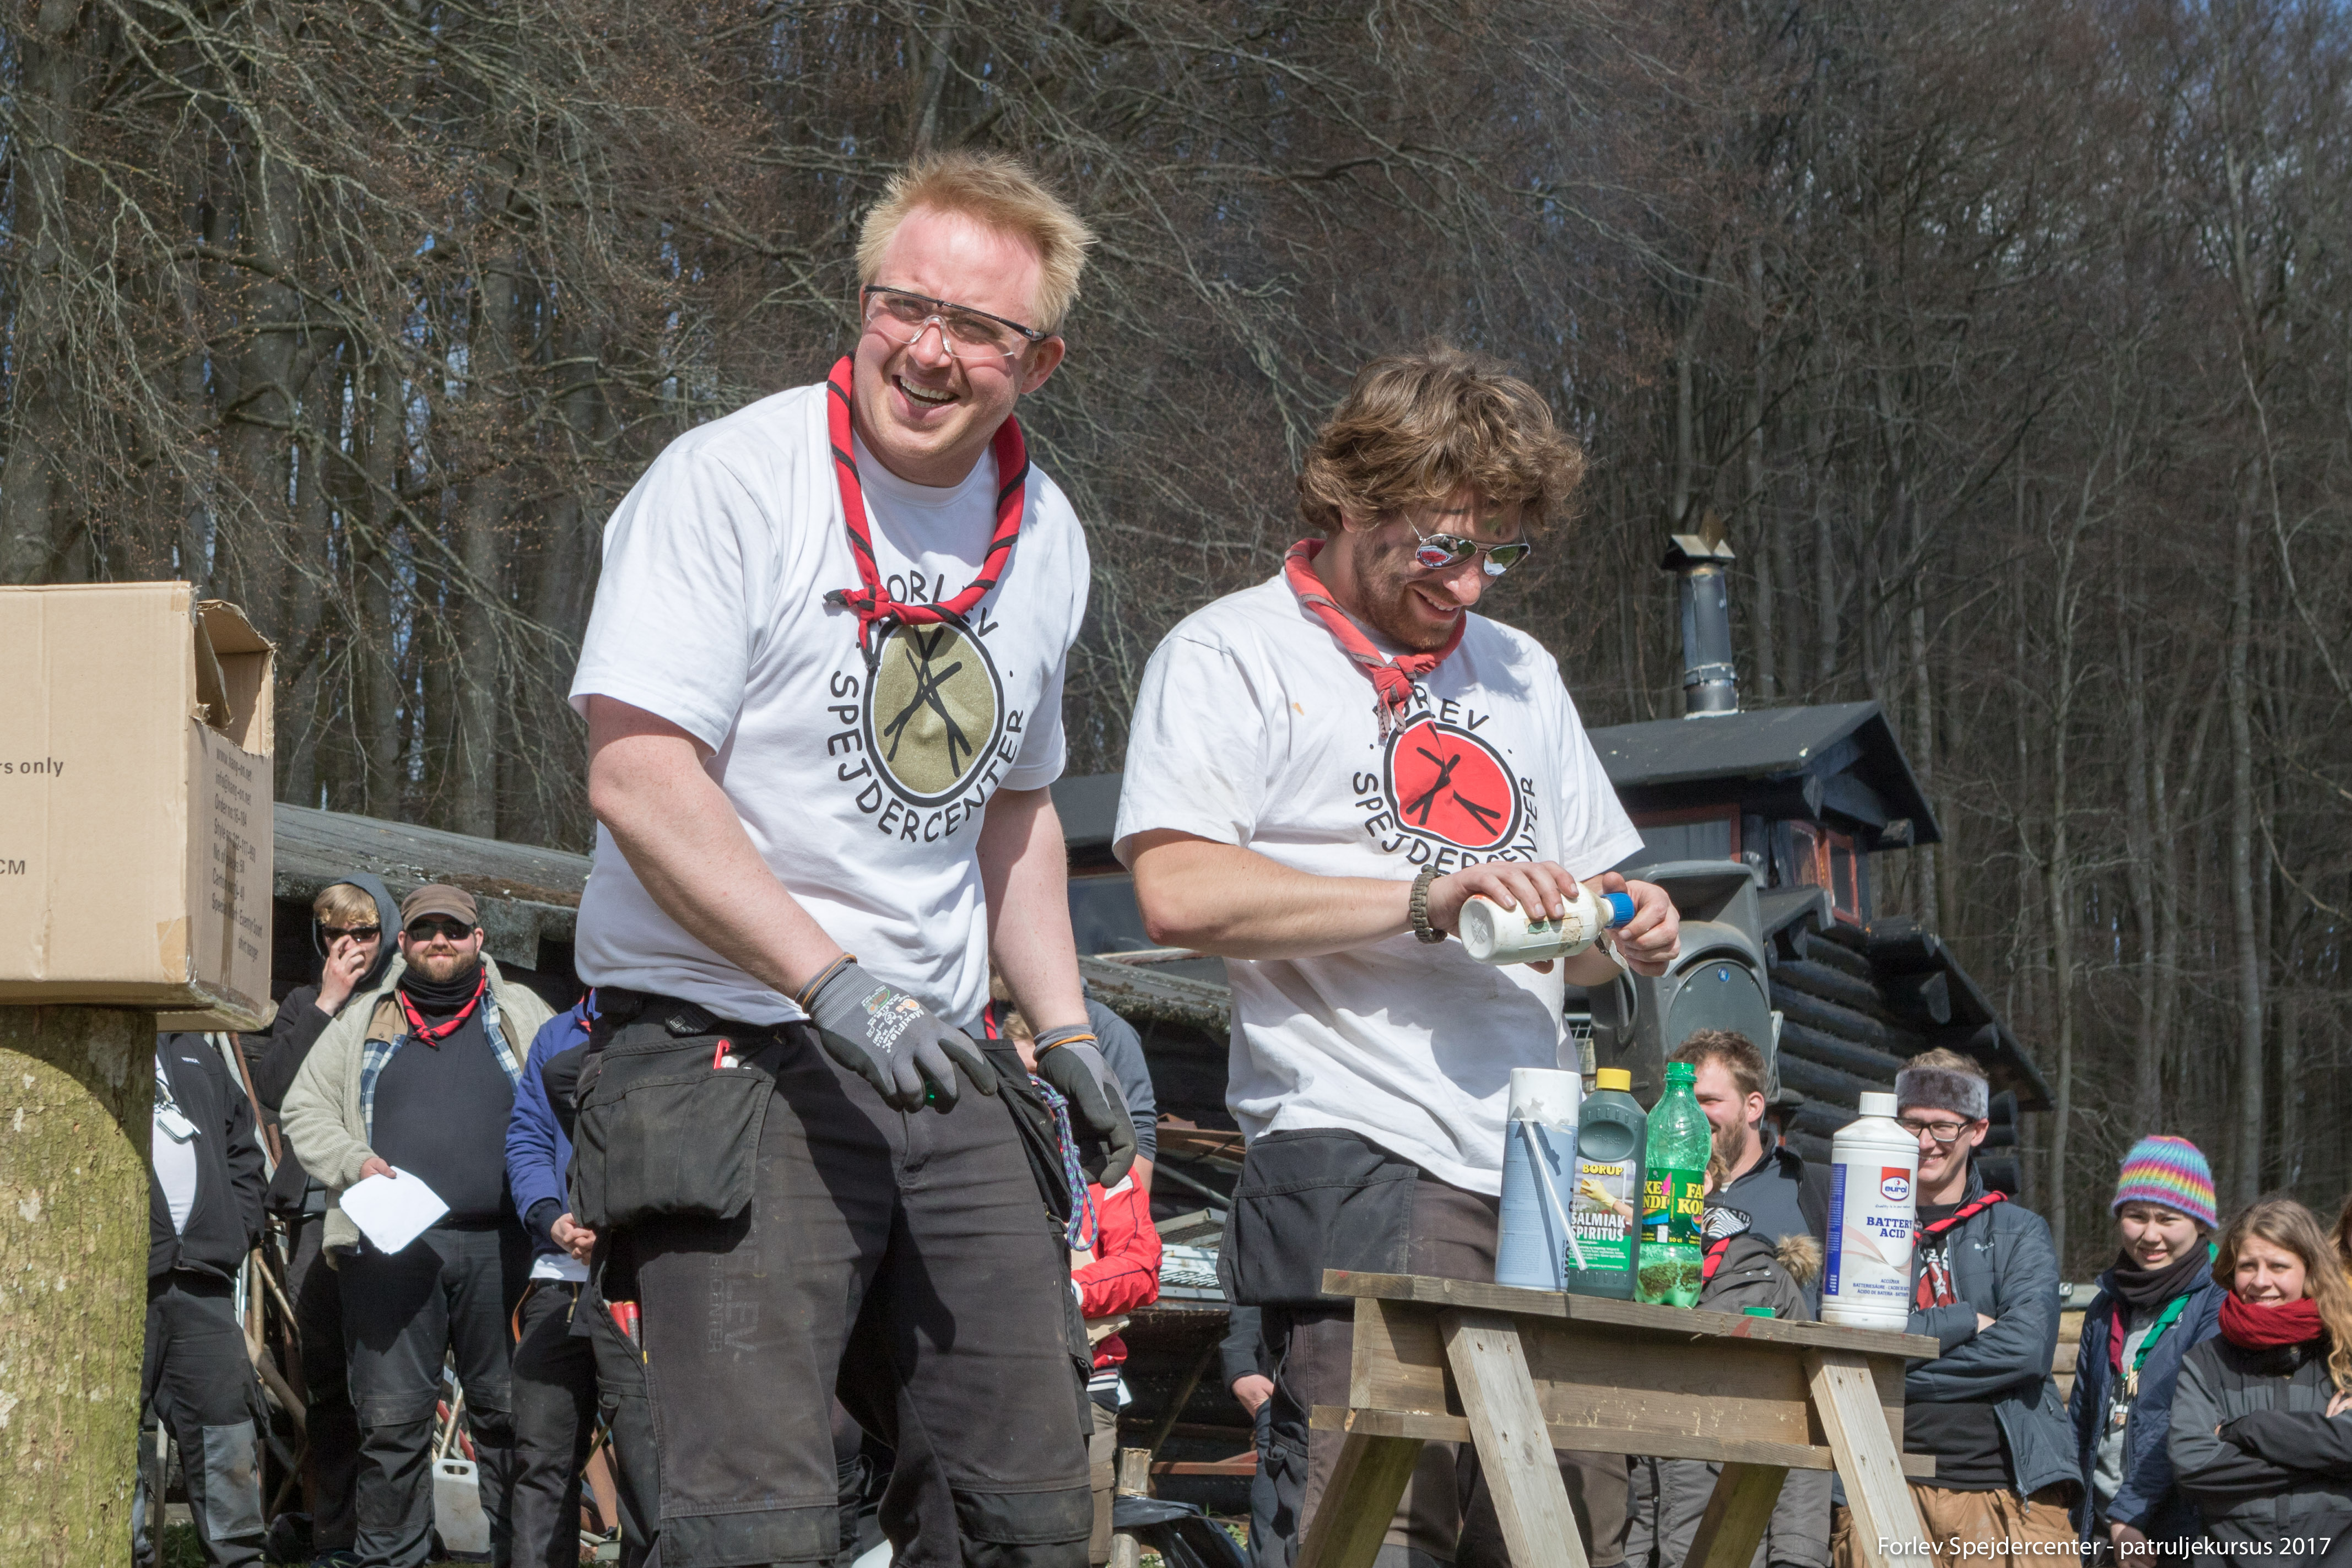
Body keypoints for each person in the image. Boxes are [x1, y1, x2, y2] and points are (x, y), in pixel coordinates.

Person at [567, 149, 1131, 1564]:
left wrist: (1065, 1029)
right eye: (906, 306)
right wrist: (830, 981)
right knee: (755, 1528)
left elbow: (1013, 810)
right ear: (863, 300)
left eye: (978, 328)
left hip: (942, 1060)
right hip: (729, 1045)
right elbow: (638, 773)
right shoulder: (730, 482)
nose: (929, 352)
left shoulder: (1046, 533)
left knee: (1027, 1511)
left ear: (1038, 362)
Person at [1116, 345, 1683, 1568]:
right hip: (1361, 1148)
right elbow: (1175, 892)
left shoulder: (1519, 670)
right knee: (1378, 1522)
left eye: (1499, 555)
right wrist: (1425, 898)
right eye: (1443, 549)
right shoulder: (1230, 654)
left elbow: (1582, 947)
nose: (1470, 585)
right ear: (1351, 499)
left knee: (1567, 1520)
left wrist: (1627, 929)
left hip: (1544, 1162)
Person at [280, 883, 557, 1568]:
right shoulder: (362, 1018)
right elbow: (303, 1107)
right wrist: (354, 1161)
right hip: (391, 1247)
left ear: (478, 939)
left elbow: (572, 1100)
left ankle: (522, 1557)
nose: (440, 940)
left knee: (512, 1420)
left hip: (505, 1246)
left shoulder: (524, 1012)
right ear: (402, 942)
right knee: (391, 1423)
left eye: (454, 929)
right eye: (425, 929)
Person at [1829, 1050, 2075, 1568]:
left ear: (1977, 1130)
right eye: (1910, 1124)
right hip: (1885, 1486)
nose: (1924, 1143)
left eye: (1942, 1127)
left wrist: (1893, 1365)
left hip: (2006, 1494)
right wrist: (1962, 1322)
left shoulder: (2018, 1232)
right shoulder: (1855, 1224)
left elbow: (2025, 1351)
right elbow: (1844, 1345)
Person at [249, 874, 399, 1565]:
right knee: (328, 1379)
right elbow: (272, 1087)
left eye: (363, 932)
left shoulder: (402, 1001)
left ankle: (392, 1530)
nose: (349, 945)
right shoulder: (304, 1002)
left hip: (383, 1199)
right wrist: (328, 1003)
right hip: (315, 1208)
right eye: (335, 933)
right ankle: (337, 1535)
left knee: (391, 1378)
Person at [1003, 1004, 1164, 1563]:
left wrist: (1070, 1291)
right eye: (1020, 1076)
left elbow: (1141, 1267)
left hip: (1086, 1377)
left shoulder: (1103, 1172)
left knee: (1082, 1543)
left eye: (1043, 1077)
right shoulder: (985, 1157)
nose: (1035, 1092)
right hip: (992, 1381)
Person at [1625, 1151, 1830, 1568]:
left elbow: (1805, 1432)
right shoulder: (1609, 1265)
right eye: (1644, 1178)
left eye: (1666, 1176)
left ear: (1705, 1181)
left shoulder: (1765, 1283)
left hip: (1733, 1540)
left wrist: (1796, 1556)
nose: (1654, 1189)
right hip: (1630, 1544)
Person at [140, 1034, 269, 1567]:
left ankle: (238, 1559)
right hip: (122, 1285)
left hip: (204, 1283)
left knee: (227, 1432)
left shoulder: (193, 1046)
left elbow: (244, 1147)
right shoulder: (85, 1028)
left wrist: (238, 1227)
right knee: (107, 1438)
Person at [2067, 1136, 2226, 1560]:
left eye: (2167, 1219)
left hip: (2175, 1531)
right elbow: (2081, 1417)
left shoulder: (2218, 1302)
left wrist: (2130, 1517)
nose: (2149, 1235)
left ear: (2201, 1224)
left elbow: (2190, 1422)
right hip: (2098, 1528)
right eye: (2136, 1216)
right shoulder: (2105, 1304)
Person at [2169, 1198, 2352, 1553]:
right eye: (2248, 1266)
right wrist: (2330, 1460)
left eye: (2279, 1266)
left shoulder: (2344, 1350)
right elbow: (2193, 1466)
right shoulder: (2205, 1362)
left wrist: (2249, 1429)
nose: (2261, 1281)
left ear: (2310, 1270)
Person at [504, 992, 604, 1568]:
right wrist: (550, 1216)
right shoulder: (557, 1034)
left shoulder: (679, 1021)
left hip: (645, 1282)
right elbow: (528, 1138)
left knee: (651, 1460)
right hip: (561, 1277)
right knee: (541, 1456)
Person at [1669, 1029, 1827, 1245]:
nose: (1692, 1114)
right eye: (1682, 1101)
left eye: (1708, 1100)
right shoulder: (1654, 1189)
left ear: (1753, 1107)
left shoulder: (1814, 1189)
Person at [1219, 1305, 1303, 1568]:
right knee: (1272, 1548)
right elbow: (1252, 1291)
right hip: (1284, 1412)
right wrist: (1240, 1368)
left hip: (1368, 1408)